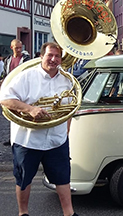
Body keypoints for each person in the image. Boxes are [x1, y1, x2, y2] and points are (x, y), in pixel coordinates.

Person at [0, 42, 78, 216]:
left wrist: (66, 131)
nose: (53, 59)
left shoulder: (67, 81)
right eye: (50, 55)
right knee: (24, 180)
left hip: (56, 139)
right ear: (41, 56)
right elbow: (5, 98)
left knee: (63, 178)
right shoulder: (26, 76)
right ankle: (23, 213)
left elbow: (71, 107)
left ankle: (69, 213)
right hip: (28, 139)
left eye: (57, 56)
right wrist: (30, 109)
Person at [1, 39, 32, 147]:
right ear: (11, 48)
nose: (19, 50)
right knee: (11, 114)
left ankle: (21, 137)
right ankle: (12, 138)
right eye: (16, 48)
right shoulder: (8, 59)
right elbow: (5, 74)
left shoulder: (26, 58)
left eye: (20, 48)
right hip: (10, 88)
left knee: (21, 112)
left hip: (22, 88)